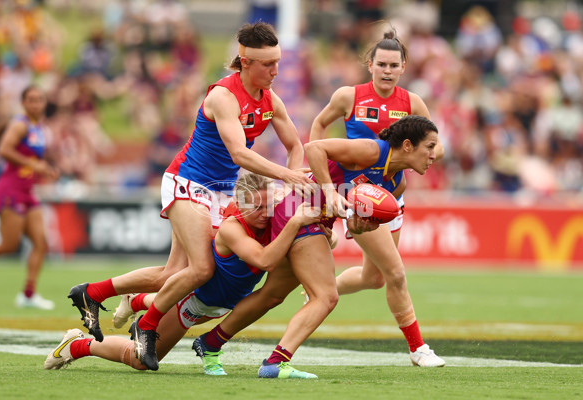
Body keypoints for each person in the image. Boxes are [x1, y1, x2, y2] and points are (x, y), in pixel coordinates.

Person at [66, 22, 312, 355]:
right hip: (189, 182)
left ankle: (94, 293)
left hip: (222, 191)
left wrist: (292, 185)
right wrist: (288, 177)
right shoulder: (224, 96)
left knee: (174, 273)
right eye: (268, 64)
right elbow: (239, 153)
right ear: (246, 62)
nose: (276, 70)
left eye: (278, 61)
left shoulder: (271, 100)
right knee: (201, 269)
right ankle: (147, 324)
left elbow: (296, 146)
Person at [192, 115, 444, 379]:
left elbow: (357, 223)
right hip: (297, 212)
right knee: (326, 296)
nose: (433, 154)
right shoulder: (371, 151)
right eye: (429, 146)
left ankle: (211, 343)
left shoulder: (397, 183)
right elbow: (314, 148)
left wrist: (358, 225)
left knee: (272, 296)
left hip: (311, 217)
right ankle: (276, 362)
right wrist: (330, 191)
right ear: (407, 145)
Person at [45, 173, 321, 373]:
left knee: (197, 302)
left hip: (217, 303)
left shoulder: (272, 216)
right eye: (257, 207)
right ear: (240, 204)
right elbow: (265, 260)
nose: (265, 213)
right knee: (139, 361)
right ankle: (77, 345)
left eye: (269, 205)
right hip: (190, 299)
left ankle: (137, 300)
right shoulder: (233, 228)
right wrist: (296, 223)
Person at [308, 28, 445, 365]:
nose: (387, 70)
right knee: (396, 274)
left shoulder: (413, 103)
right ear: (370, 65)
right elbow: (318, 128)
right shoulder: (348, 96)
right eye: (381, 64)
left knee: (375, 277)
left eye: (393, 65)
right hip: (359, 194)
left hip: (391, 194)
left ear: (403, 68)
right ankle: (418, 349)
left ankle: (322, 290)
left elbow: (435, 145)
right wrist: (322, 177)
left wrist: (421, 156)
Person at [0, 85, 58, 309]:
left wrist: (47, 169)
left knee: (40, 243)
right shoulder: (20, 124)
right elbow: (4, 150)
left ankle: (28, 295)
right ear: (23, 103)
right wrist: (35, 164)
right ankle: (28, 295)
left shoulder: (38, 128)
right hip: (10, 190)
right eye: (31, 100)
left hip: (27, 191)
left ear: (45, 103)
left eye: (39, 99)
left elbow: (32, 159)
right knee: (8, 245)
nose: (35, 104)